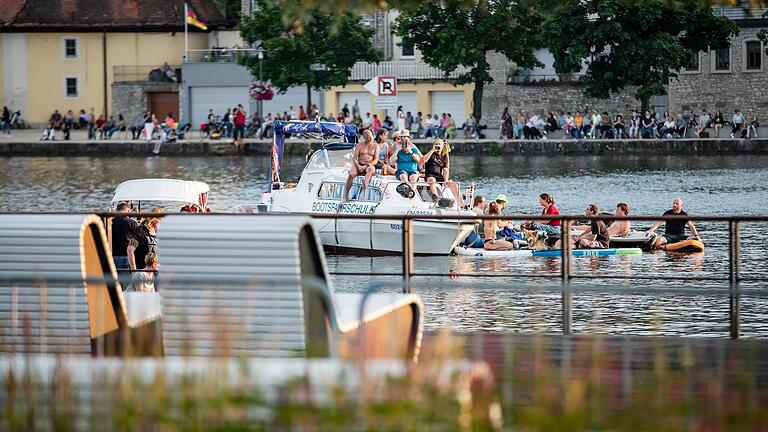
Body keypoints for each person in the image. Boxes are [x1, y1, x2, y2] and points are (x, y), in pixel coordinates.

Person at [420, 138, 463, 206]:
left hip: (439, 176)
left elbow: (446, 170)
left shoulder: (444, 156)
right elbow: (423, 160)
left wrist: (445, 181)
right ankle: (436, 198)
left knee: (454, 184)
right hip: (430, 175)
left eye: (439, 144)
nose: (437, 145)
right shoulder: (431, 154)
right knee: (432, 180)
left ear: (442, 146)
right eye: (436, 144)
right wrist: (433, 149)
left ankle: (462, 204)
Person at [343, 129, 378, 202]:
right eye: (369, 137)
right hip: (359, 164)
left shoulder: (375, 146)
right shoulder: (359, 145)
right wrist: (358, 166)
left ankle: (365, 183)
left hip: (369, 165)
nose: (371, 139)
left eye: (371, 137)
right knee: (351, 174)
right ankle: (346, 196)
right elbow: (355, 158)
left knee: (371, 169)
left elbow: (376, 160)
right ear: (365, 137)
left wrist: (367, 165)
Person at [111, 202, 138, 272]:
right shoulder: (132, 223)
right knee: (125, 281)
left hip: (111, 256)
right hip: (126, 256)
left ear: (117, 210)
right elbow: (137, 239)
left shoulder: (110, 222)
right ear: (128, 210)